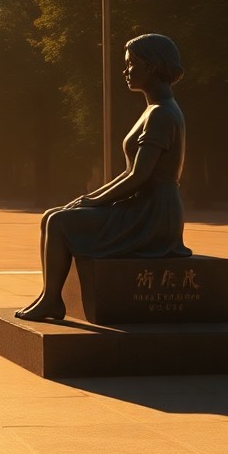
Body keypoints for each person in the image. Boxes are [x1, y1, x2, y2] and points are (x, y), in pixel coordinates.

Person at [17, 33, 192, 322]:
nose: (126, 71)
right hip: (141, 206)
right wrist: (90, 198)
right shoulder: (154, 110)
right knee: (51, 216)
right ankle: (48, 295)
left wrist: (93, 201)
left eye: (132, 63)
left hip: (152, 213)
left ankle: (51, 299)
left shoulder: (161, 114)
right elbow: (130, 173)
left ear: (152, 66)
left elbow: (139, 175)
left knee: (59, 221)